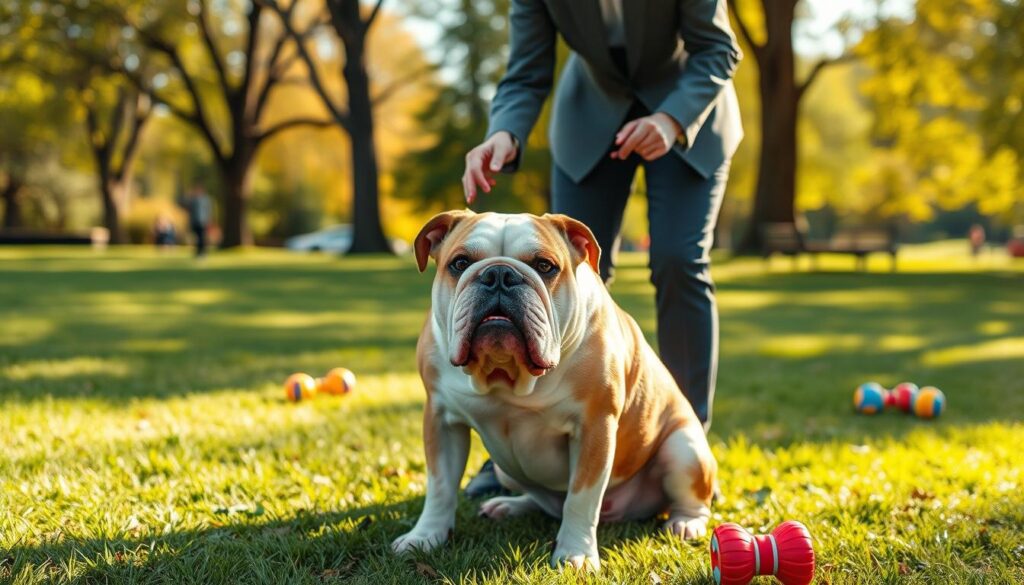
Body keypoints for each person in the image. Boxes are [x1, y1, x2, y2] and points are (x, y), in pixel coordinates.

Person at [461, 0, 743, 496]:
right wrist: (503, 133)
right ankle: (515, 456)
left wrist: (671, 120)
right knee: (570, 275)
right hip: (590, 117)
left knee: (678, 258)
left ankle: (687, 436)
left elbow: (718, 50)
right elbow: (526, 71)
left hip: (687, 110)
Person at [179, 182, 212, 258]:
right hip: (195, 222)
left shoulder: (205, 199)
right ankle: (199, 252)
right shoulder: (193, 199)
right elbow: (185, 205)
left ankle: (202, 252)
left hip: (203, 222)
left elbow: (208, 211)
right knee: (198, 238)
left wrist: (208, 220)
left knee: (202, 238)